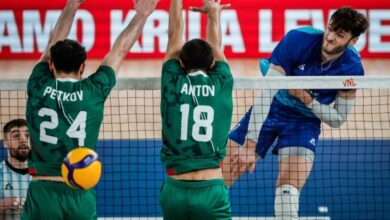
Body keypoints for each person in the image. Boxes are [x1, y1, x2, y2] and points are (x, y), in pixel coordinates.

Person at [223, 7, 369, 219]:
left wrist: (307, 99)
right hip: (272, 108)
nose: (329, 37)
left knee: (287, 195)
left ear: (352, 41)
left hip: (304, 122)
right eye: (330, 29)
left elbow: (338, 119)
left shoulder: (352, 68)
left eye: (340, 35)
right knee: (218, 181)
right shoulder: (297, 39)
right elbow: (266, 94)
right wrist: (250, 144)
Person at [22, 0, 159, 219]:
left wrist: (72, 5)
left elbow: (50, 48)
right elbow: (119, 51)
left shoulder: (38, 84)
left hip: (42, 192)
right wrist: (142, 15)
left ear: (50, 66)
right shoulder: (93, 90)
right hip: (80, 192)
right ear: (83, 67)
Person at [159, 0, 233, 219]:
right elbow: (217, 48)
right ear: (211, 65)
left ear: (181, 63)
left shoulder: (171, 81)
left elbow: (174, 39)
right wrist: (213, 13)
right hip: (211, 191)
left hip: (175, 191)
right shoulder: (222, 82)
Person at [0, 119, 31, 220]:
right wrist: (3, 204)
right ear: (5, 143)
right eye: (16, 135)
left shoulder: (44, 173)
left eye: (28, 135)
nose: (23, 140)